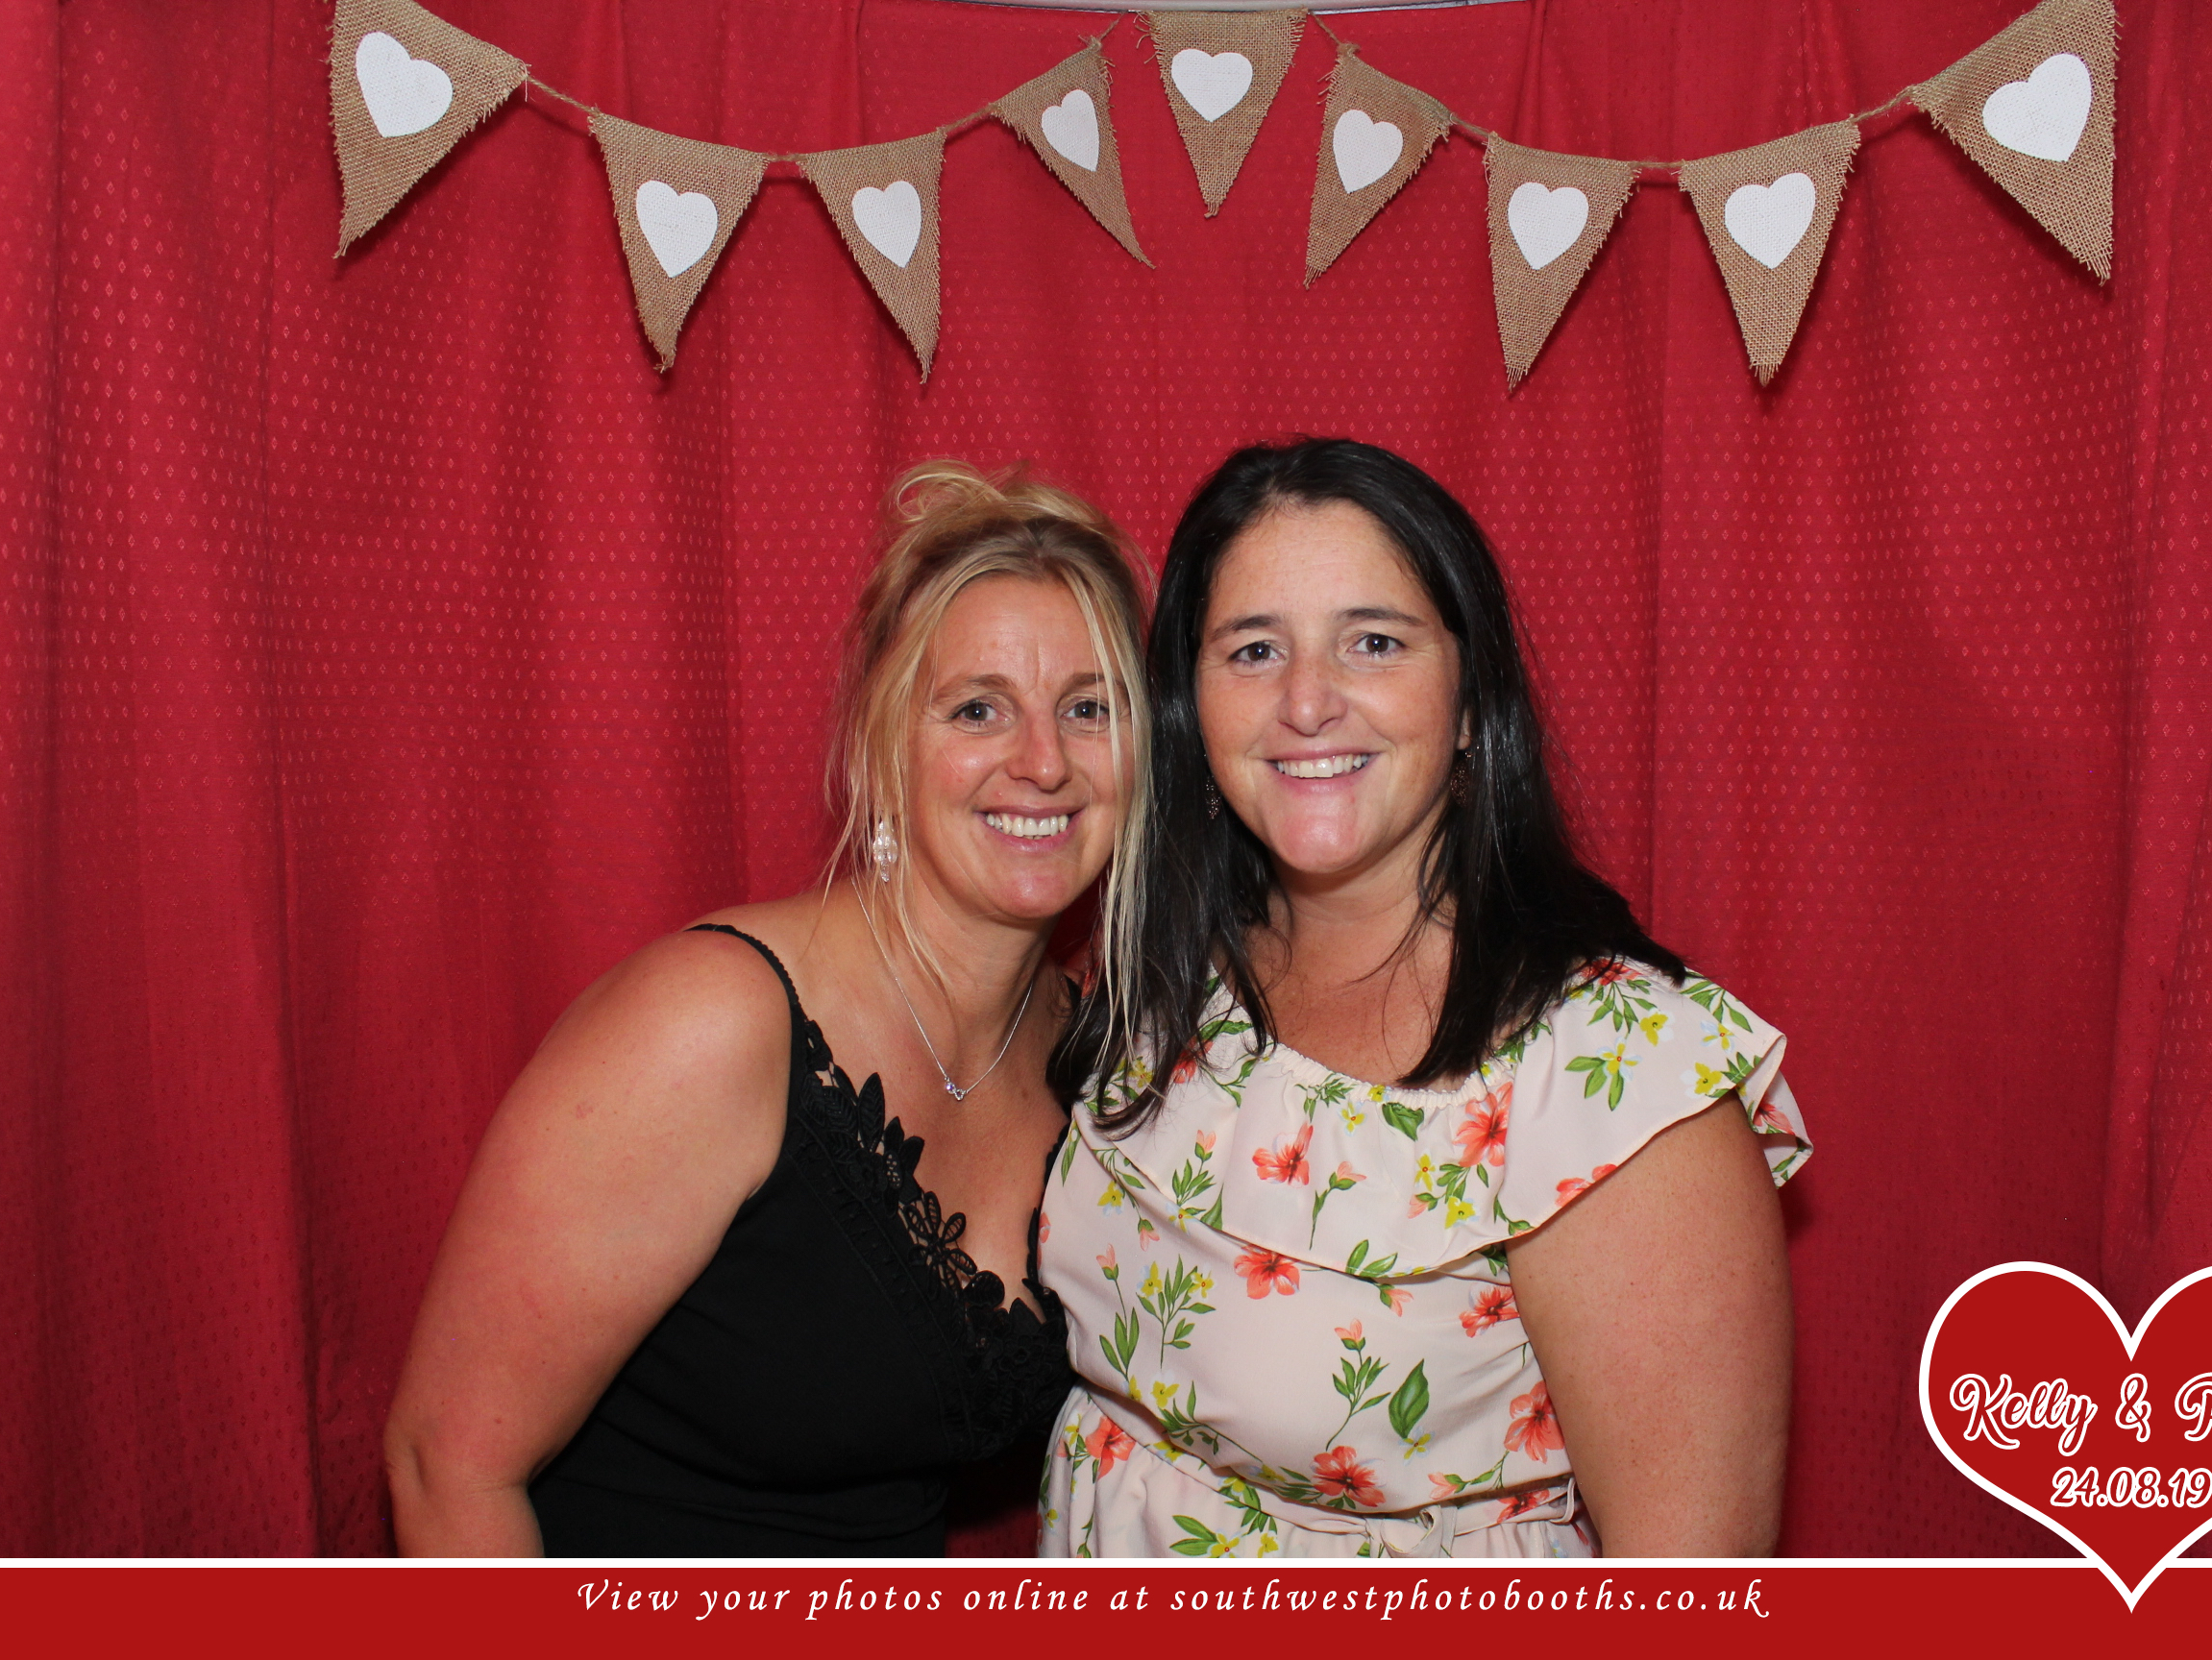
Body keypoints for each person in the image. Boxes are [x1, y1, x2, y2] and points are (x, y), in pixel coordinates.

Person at [1037, 439, 1810, 1558]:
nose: (1307, 701)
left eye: (1373, 642)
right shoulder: (1166, 975)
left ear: (1466, 701)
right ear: (1189, 711)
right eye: (1254, 649)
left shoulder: (1618, 1080)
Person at [384, 461, 1150, 1555]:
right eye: (979, 708)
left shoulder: (1089, 1053)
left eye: (1088, 709)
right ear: (887, 750)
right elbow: (446, 1468)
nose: (1042, 761)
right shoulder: (714, 1023)